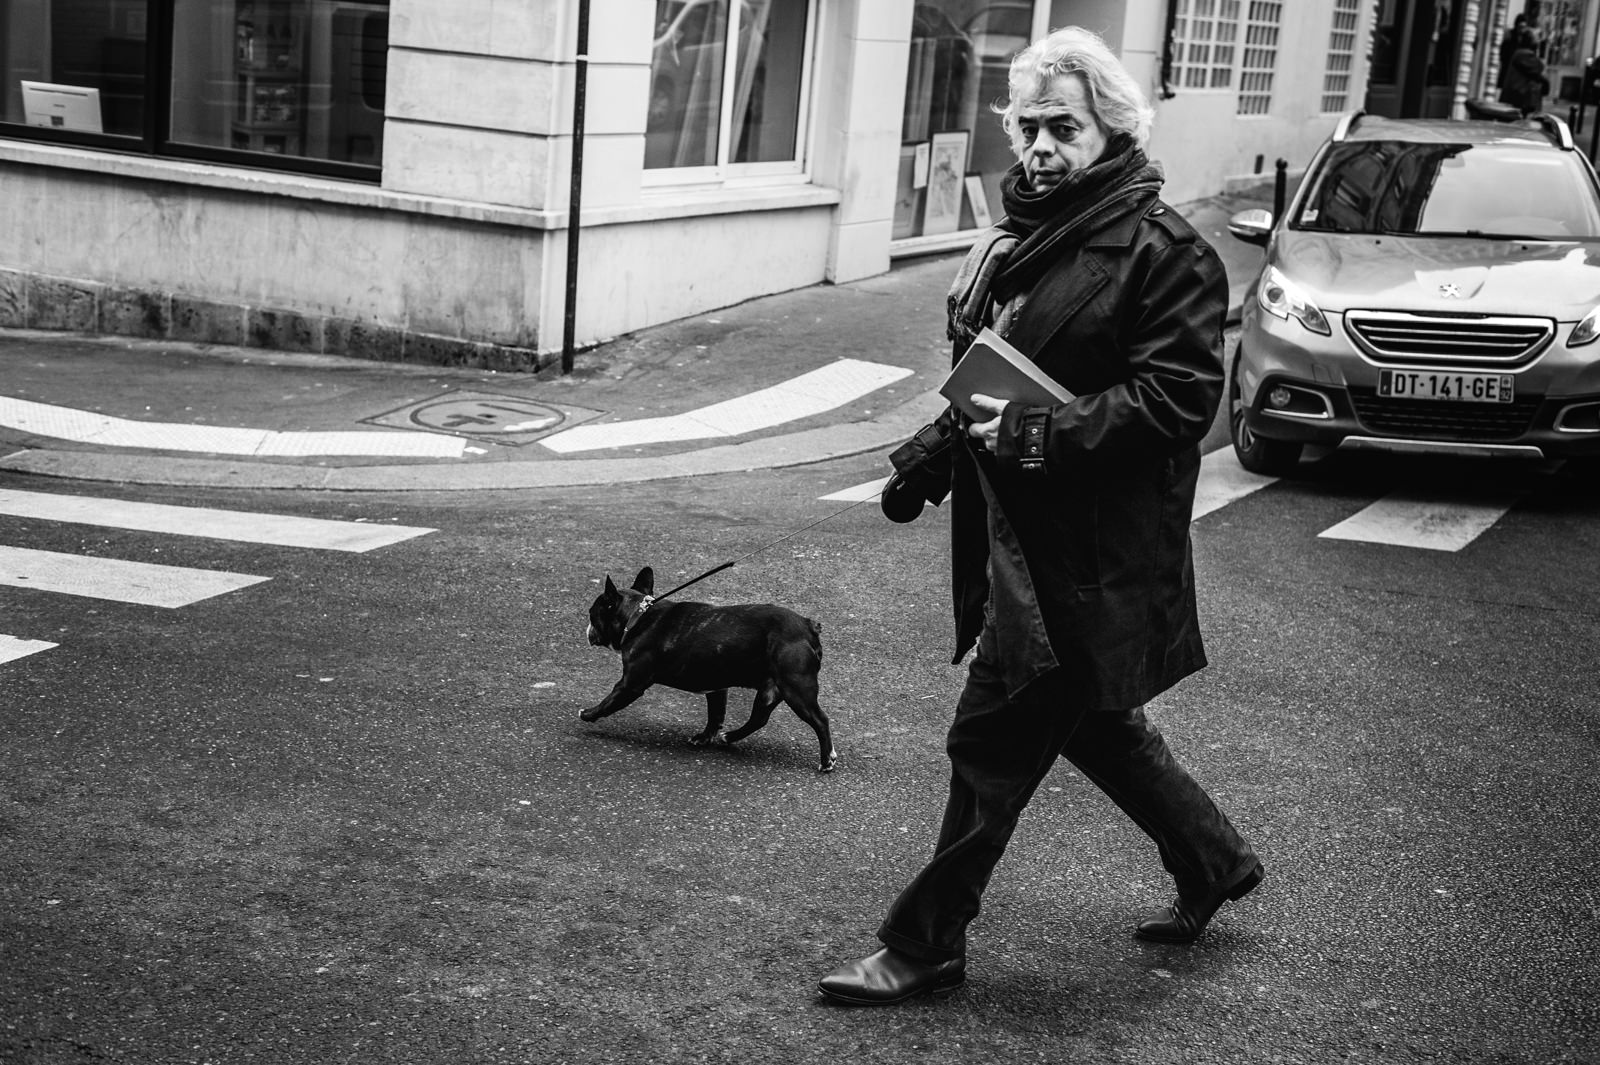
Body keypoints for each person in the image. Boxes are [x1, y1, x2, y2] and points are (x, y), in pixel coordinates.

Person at [818, 26, 1262, 1007]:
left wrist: (1037, 436)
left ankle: (924, 941)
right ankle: (1214, 858)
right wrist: (931, 459)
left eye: (1062, 125)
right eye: (1028, 126)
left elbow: (1177, 405)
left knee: (992, 741)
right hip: (1022, 541)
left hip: (1087, 560)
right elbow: (995, 379)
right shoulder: (1024, 243)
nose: (1039, 145)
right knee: (1099, 727)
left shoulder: (1163, 255)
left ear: (1112, 126)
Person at [1499, 27, 1550, 117]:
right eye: (1536, 38)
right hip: (1520, 98)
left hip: (1519, 98)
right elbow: (1538, 68)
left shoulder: (1520, 53)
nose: (1538, 41)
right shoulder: (1524, 55)